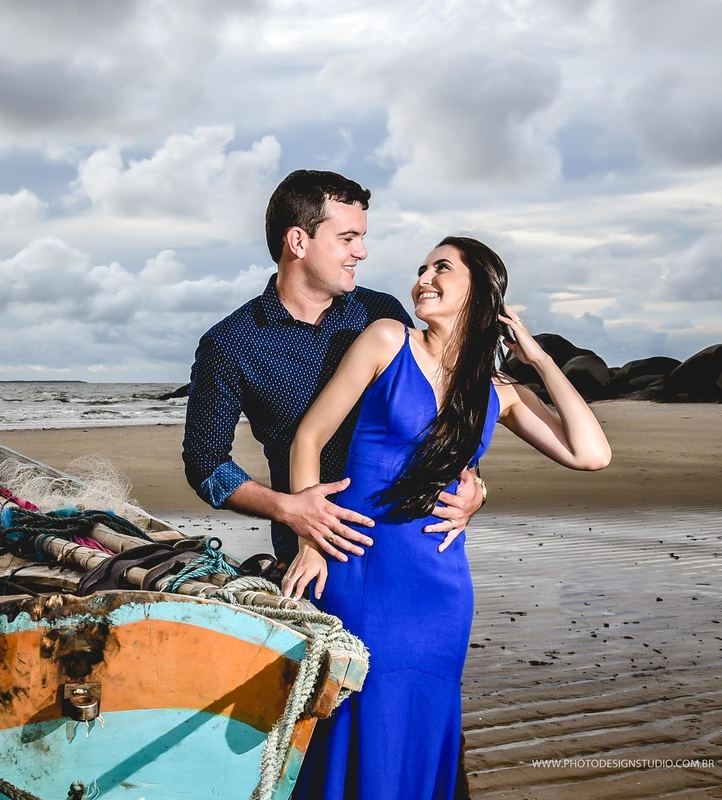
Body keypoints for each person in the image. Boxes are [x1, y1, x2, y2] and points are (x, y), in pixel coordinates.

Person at [282, 236, 612, 799]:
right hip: (359, 563)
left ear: (479, 292)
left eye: (442, 268)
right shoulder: (388, 339)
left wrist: (539, 359)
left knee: (423, 722)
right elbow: (308, 438)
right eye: (422, 268)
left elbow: (591, 454)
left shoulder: (499, 390)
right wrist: (308, 541)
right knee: (358, 714)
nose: (424, 279)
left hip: (440, 586)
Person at [182, 170, 485, 568]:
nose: (362, 252)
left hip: (413, 544)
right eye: (347, 238)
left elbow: (439, 405)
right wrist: (287, 508)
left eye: (362, 237)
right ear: (298, 241)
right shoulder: (230, 343)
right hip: (316, 557)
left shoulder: (381, 313)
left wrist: (474, 482)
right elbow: (205, 464)